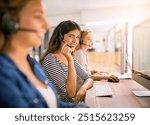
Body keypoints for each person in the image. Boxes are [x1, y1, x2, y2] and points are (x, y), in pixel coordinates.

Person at [0, 0, 87, 108]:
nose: (46, 26)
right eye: (37, 16)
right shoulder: (3, 74)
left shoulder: (33, 64)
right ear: (9, 22)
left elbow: (55, 105)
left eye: (77, 37)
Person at [40, 20, 94, 104]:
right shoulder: (50, 59)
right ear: (60, 37)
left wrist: (83, 88)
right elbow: (71, 93)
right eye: (70, 36)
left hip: (72, 104)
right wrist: (69, 60)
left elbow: (88, 78)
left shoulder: (70, 56)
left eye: (77, 37)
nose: (75, 41)